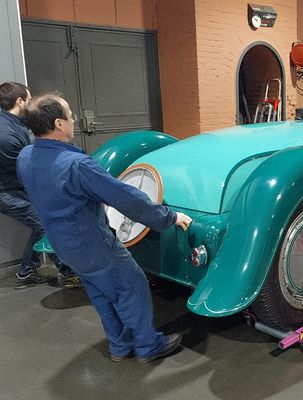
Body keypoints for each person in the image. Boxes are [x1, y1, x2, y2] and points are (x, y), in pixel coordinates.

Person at [17, 93, 193, 363]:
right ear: (59, 124)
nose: (74, 119)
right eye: (70, 115)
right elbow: (127, 198)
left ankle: (120, 346)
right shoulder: (76, 166)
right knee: (132, 285)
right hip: (92, 243)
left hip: (63, 245)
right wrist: (169, 217)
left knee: (100, 291)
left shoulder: (26, 156)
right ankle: (148, 346)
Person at [0, 82, 79, 289]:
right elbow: (27, 168)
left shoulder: (17, 122)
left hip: (15, 189)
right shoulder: (6, 135)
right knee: (45, 225)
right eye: (29, 98)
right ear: (20, 101)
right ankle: (67, 272)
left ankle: (27, 272)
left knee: (42, 225)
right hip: (8, 193)